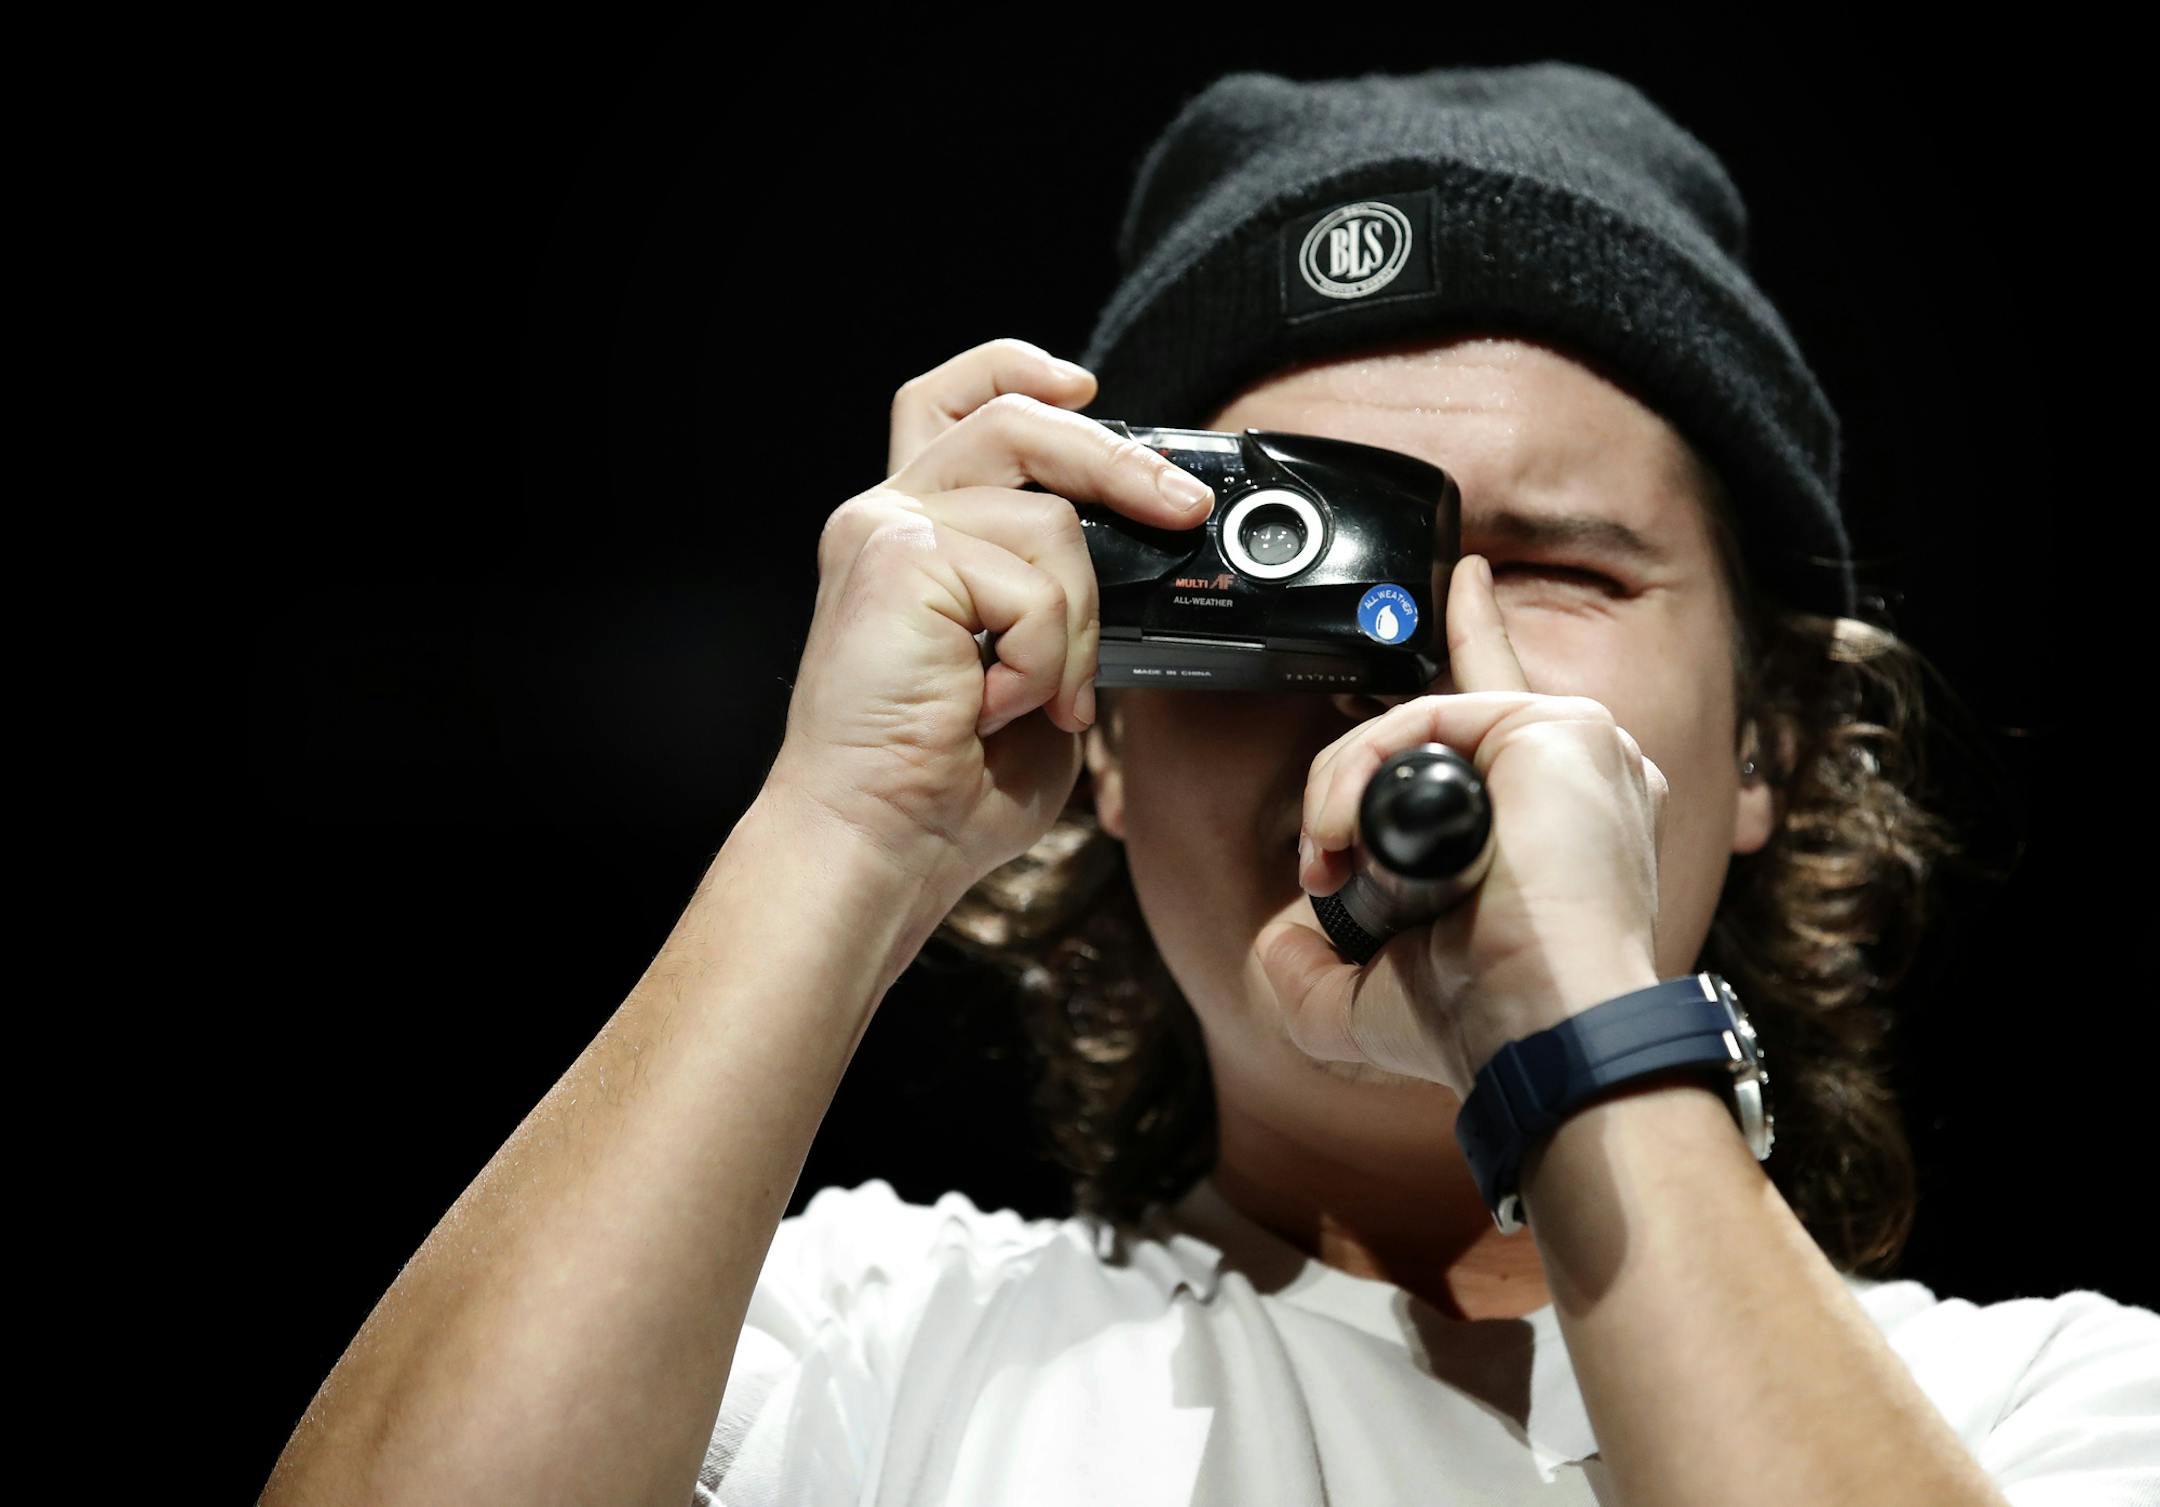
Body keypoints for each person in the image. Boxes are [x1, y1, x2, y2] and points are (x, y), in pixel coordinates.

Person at [262, 63, 2158, 1507]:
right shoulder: (834, 1343)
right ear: (1092, 717)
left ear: (1770, 748)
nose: (1407, 664)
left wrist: (1574, 1040)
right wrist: (841, 827)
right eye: (1284, 557)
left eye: (1561, 567)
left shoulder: (2047, 1414)